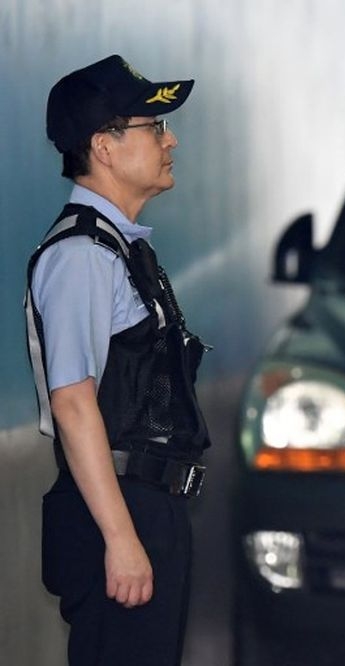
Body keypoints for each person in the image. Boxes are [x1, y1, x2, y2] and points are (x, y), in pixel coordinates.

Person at [24, 55, 210, 665]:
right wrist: (122, 537)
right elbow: (74, 404)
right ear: (104, 147)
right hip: (117, 507)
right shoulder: (81, 256)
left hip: (143, 503)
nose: (170, 139)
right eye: (153, 127)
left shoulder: (118, 250)